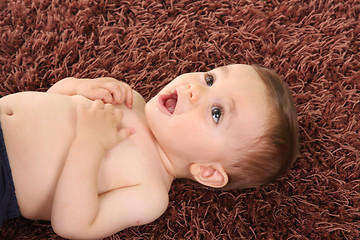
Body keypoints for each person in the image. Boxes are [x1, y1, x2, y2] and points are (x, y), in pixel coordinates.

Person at [0, 64, 298, 239]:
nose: (197, 89)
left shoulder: (150, 193)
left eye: (217, 112)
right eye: (210, 78)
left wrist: (89, 145)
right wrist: (76, 87)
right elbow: (50, 103)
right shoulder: (132, 100)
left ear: (207, 170)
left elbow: (73, 225)